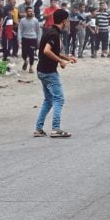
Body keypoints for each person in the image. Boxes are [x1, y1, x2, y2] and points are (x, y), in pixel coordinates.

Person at [34, 8, 77, 138]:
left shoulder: (49, 31)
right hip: (49, 72)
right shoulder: (54, 34)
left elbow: (53, 51)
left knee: (49, 100)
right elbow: (47, 51)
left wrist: (67, 58)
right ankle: (56, 128)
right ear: (64, 21)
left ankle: (38, 129)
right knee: (59, 99)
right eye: (68, 20)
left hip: (42, 70)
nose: (68, 23)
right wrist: (60, 61)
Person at [18, 7, 42, 73]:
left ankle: (31, 67)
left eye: (31, 11)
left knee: (31, 53)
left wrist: (38, 40)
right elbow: (20, 30)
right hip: (24, 38)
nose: (30, 12)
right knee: (24, 53)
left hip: (33, 38)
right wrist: (19, 39)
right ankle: (25, 61)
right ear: (26, 12)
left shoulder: (35, 20)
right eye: (29, 11)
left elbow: (38, 31)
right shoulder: (22, 20)